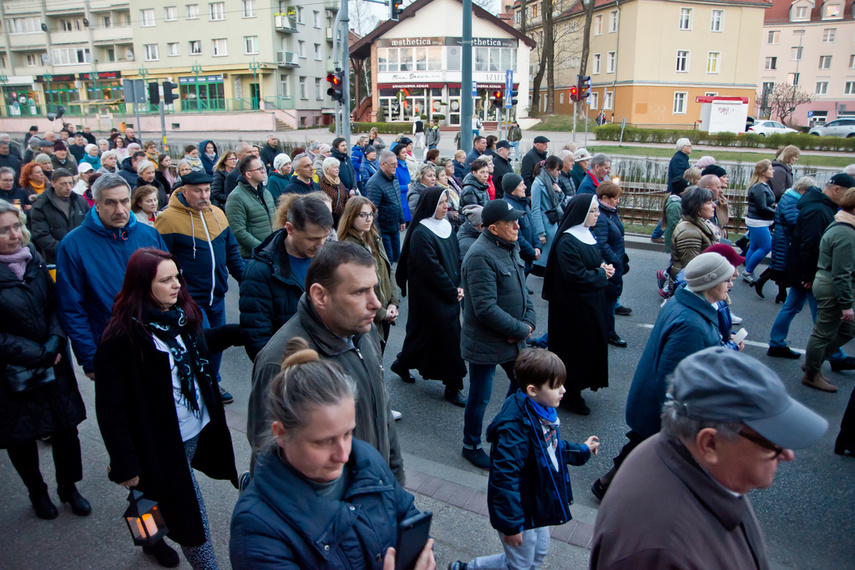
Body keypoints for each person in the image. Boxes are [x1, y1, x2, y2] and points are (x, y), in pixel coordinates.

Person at [591, 348, 826, 569]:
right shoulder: (663, 552)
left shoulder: (675, 451)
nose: (787, 454)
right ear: (710, 443)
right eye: (770, 441)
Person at [232, 340, 435, 569]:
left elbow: (410, 518)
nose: (343, 455)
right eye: (324, 442)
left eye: (348, 433)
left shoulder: (365, 458)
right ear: (281, 433)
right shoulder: (257, 528)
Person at [95, 248, 238, 569]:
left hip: (195, 433)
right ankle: (181, 554)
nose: (177, 285)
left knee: (150, 497)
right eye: (166, 280)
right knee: (189, 517)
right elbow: (110, 410)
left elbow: (197, 346)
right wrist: (125, 464)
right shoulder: (121, 338)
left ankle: (151, 537)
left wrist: (237, 333)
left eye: (177, 277)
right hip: (159, 445)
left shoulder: (180, 316)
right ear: (143, 285)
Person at [248, 241, 405, 482]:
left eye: (374, 288)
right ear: (320, 296)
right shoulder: (279, 362)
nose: (375, 303)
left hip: (374, 496)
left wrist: (395, 486)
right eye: (360, 292)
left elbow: (382, 413)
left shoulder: (364, 330)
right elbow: (271, 467)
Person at [590, 252, 734, 501]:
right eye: (727, 279)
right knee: (649, 450)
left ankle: (610, 486)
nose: (731, 284)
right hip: (662, 408)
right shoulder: (692, 323)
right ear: (710, 282)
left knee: (641, 445)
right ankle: (614, 491)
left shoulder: (684, 303)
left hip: (652, 401)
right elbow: (672, 379)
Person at [450, 349, 598, 570]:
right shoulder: (514, 429)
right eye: (556, 386)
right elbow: (504, 478)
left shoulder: (541, 411)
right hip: (521, 508)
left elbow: (550, 450)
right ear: (532, 390)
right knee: (520, 563)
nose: (563, 390)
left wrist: (582, 450)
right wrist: (511, 525)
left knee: (537, 554)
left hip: (535, 502)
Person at [0, 201, 89, 521]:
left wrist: (54, 339)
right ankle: (37, 491)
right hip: (13, 371)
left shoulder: (32, 259)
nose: (13, 235)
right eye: (4, 230)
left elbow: (55, 303)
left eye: (15, 227)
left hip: (53, 360)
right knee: (22, 436)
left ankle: (69, 486)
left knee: (66, 428)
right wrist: (38, 353)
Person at [55, 173, 167, 379]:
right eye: (110, 203)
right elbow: (71, 308)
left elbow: (172, 284)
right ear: (96, 204)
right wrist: (89, 359)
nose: (120, 210)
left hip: (157, 344)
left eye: (124, 201)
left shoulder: (149, 235)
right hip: (111, 350)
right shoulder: (73, 246)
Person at [154, 170, 245, 403]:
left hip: (217, 295)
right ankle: (201, 384)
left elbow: (232, 253)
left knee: (218, 343)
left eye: (206, 190)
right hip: (190, 297)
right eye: (198, 191)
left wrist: (247, 280)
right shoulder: (168, 219)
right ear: (184, 191)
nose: (204, 195)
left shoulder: (218, 214)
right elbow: (162, 261)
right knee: (203, 341)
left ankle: (212, 381)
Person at [459, 199, 537, 468]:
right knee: (479, 396)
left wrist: (529, 322)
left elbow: (523, 290)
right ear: (493, 228)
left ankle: (500, 428)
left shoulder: (509, 246)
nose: (518, 226)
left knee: (522, 385)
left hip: (513, 337)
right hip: (486, 341)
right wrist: (520, 329)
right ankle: (471, 445)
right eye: (511, 222)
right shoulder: (480, 255)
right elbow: (484, 308)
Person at [393, 187, 468, 404]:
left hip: (448, 290)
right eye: (441, 203)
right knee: (448, 335)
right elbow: (431, 269)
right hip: (428, 294)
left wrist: (460, 284)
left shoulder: (447, 226)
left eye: (447, 202)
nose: (446, 207)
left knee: (424, 335)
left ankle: (402, 363)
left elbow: (457, 258)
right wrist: (452, 290)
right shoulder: (420, 233)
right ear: (430, 206)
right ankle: (453, 385)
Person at [542, 194, 613, 416]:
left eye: (597, 210)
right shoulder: (567, 241)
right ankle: (570, 392)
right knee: (575, 349)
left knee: (589, 346)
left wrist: (600, 266)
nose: (597, 214)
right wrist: (601, 273)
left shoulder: (585, 235)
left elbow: (588, 263)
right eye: (593, 211)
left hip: (590, 304)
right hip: (573, 309)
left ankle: (579, 386)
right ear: (581, 213)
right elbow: (574, 276)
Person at [239, 195, 333, 360]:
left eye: (324, 237)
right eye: (312, 239)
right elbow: (258, 340)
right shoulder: (260, 272)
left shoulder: (328, 258)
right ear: (290, 229)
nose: (320, 245)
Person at [802, 187, 855, 392]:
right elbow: (841, 273)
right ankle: (811, 374)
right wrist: (846, 305)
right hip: (833, 287)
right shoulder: (846, 232)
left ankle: (812, 363)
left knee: (848, 329)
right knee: (823, 333)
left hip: (830, 284)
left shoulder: (843, 225)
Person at [338, 197, 400, 342]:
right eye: (362, 215)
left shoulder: (375, 239)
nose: (368, 219)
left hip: (385, 313)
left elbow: (388, 270)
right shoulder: (348, 247)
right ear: (350, 216)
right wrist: (381, 313)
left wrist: (393, 303)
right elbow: (356, 289)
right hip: (366, 320)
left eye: (371, 214)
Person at [759, 176, 816, 304]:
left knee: (780, 266)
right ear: (802, 189)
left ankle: (775, 290)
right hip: (785, 238)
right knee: (781, 267)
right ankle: (779, 293)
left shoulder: (790, 197)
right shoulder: (792, 200)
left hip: (783, 236)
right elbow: (792, 220)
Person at [593, 181, 628, 348]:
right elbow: (601, 244)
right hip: (610, 267)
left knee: (610, 301)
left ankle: (607, 331)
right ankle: (608, 333)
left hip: (615, 264)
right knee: (608, 302)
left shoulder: (611, 212)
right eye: (615, 198)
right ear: (605, 198)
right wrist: (615, 259)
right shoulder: (601, 216)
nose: (618, 201)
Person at [30, 169, 90, 265]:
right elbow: (41, 235)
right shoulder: (41, 206)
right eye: (63, 184)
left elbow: (90, 225)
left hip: (81, 254)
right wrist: (65, 249)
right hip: (56, 258)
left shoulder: (80, 202)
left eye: (70, 183)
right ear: (53, 183)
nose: (68, 187)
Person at [225, 155, 275, 258]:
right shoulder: (236, 197)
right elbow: (238, 231)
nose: (263, 171)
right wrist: (262, 249)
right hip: (251, 257)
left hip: (271, 252)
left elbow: (275, 221)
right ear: (248, 174)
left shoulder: (266, 193)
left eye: (263, 167)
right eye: (259, 169)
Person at [669, 186, 717, 283]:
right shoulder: (689, 233)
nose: (714, 205)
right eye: (708, 203)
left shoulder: (697, 224)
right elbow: (692, 270)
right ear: (697, 209)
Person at [742, 159, 777, 284]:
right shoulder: (759, 188)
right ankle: (748, 271)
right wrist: (777, 212)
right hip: (758, 222)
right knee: (766, 246)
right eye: (770, 169)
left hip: (758, 221)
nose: (773, 171)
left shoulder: (762, 186)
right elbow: (762, 207)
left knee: (754, 246)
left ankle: (748, 270)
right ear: (763, 172)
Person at [502, 174, 541, 274]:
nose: (525, 187)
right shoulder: (509, 207)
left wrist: (537, 246)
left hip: (527, 258)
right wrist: (532, 252)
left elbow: (533, 227)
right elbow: (516, 236)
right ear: (512, 190)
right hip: (520, 258)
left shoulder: (523, 203)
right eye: (521, 185)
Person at [393, 142, 413, 223]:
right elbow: (394, 185)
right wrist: (406, 187)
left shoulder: (404, 164)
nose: (406, 155)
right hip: (401, 198)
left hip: (407, 196)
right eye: (403, 153)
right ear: (397, 155)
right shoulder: (396, 167)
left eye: (406, 152)